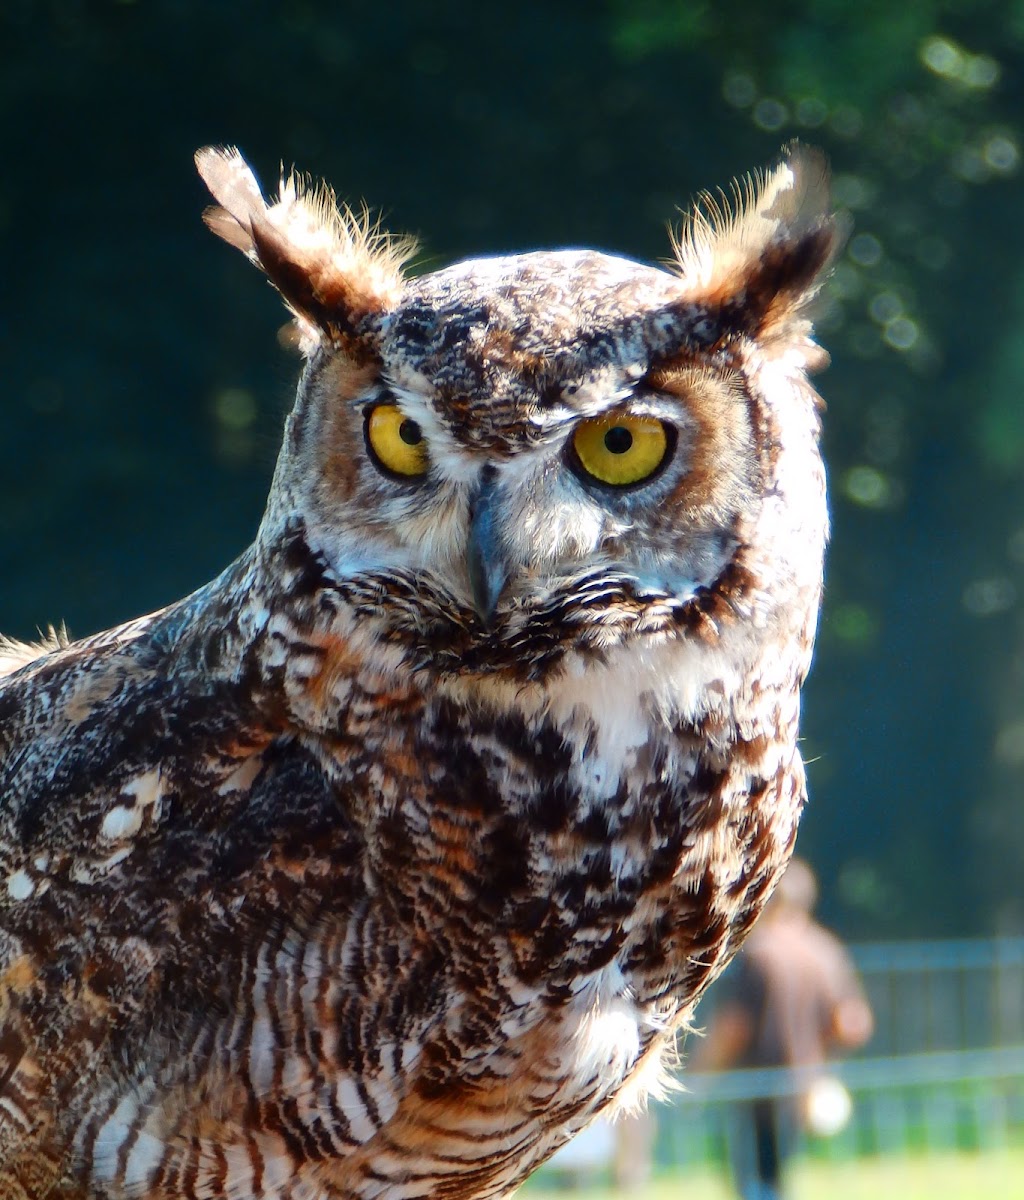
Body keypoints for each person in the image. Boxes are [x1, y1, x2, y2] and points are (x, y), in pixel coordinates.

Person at [690, 857, 873, 1200]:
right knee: (783, 1178)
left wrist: (699, 1074)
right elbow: (852, 1023)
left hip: (757, 1091)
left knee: (756, 1182)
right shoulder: (826, 951)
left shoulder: (758, 954)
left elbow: (735, 1026)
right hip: (805, 1087)